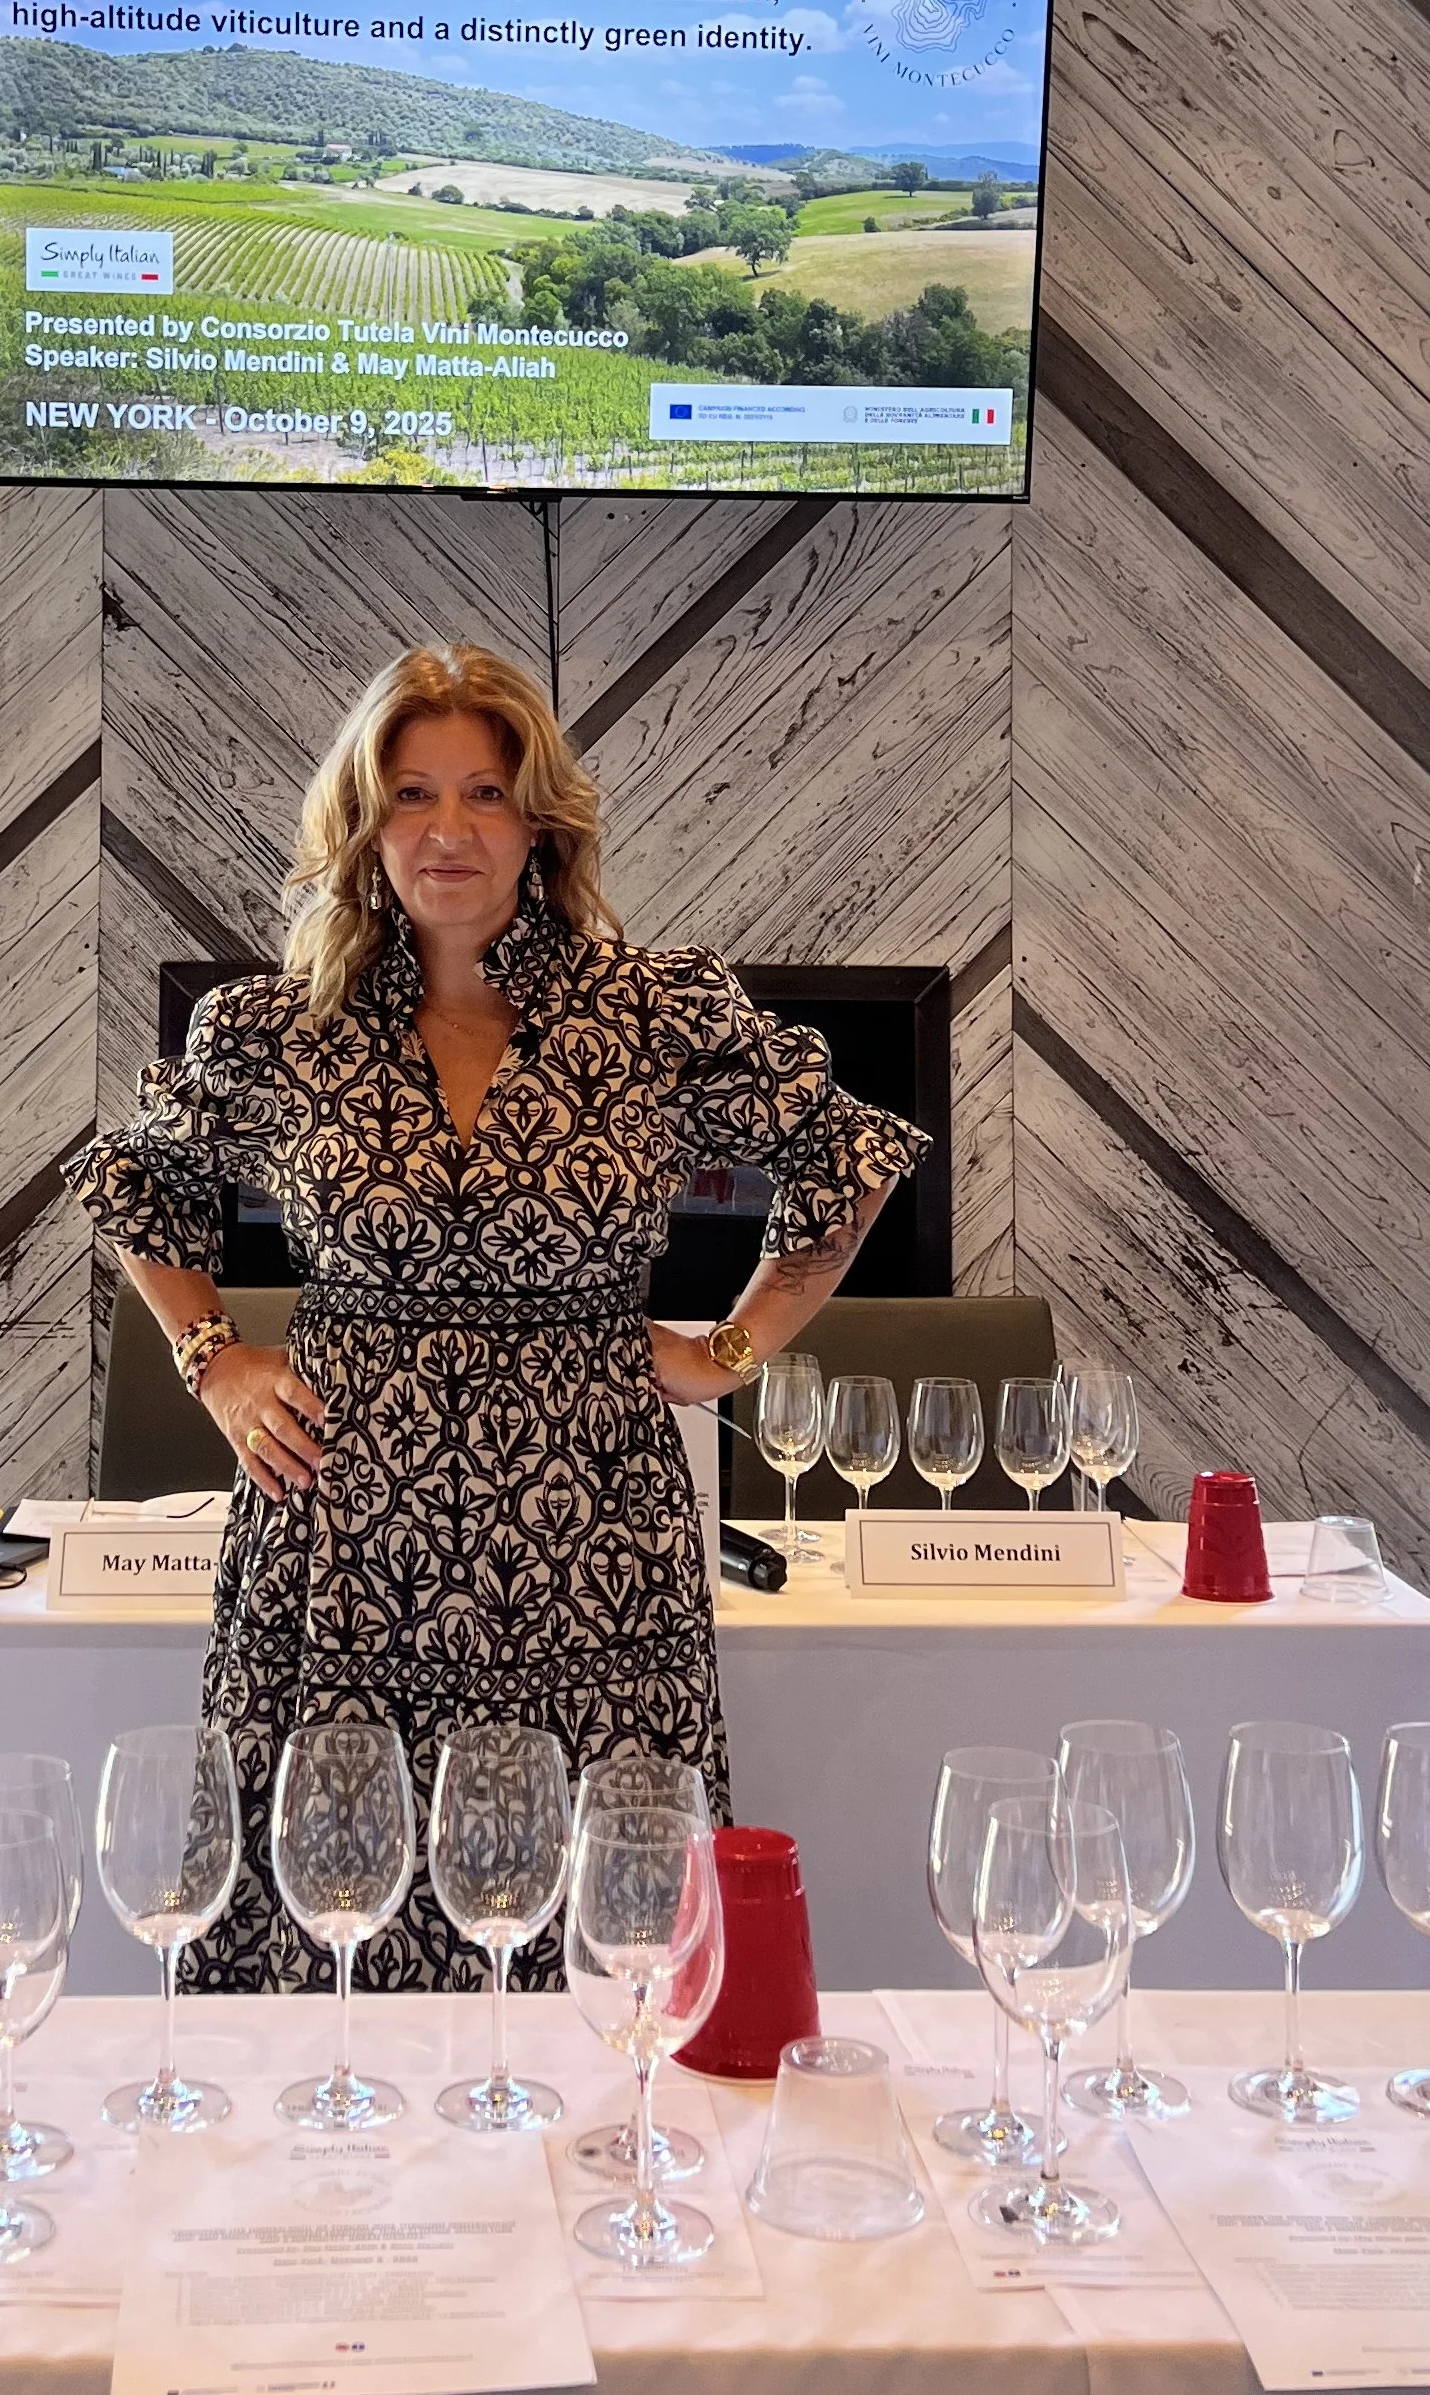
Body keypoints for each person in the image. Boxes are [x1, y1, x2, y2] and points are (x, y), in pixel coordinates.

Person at [65, 643, 930, 1991]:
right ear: (364, 822)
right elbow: (140, 1190)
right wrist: (213, 1357)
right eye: (412, 795)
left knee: (600, 1949)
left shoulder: (655, 1016)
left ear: (541, 823)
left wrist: (727, 1353)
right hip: (339, 1543)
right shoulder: (273, 1030)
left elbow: (844, 1161)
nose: (450, 831)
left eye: (485, 793)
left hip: (592, 1550)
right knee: (325, 1917)